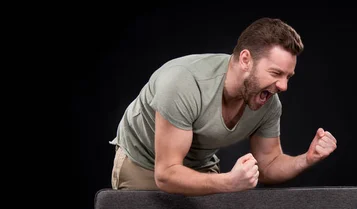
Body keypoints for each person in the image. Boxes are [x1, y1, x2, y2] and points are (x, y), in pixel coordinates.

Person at [109, 17, 337, 195]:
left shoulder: (267, 100)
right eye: (276, 73)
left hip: (198, 166)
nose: (284, 86)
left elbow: (269, 165)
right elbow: (166, 174)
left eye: (289, 76)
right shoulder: (182, 82)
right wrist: (228, 182)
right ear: (246, 60)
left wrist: (306, 159)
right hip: (144, 165)